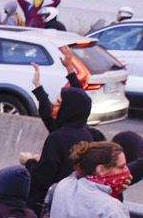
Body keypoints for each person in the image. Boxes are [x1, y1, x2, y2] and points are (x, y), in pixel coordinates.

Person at [27, 73, 93, 210]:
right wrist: (38, 87)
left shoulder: (57, 138)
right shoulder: (88, 135)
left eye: (59, 103)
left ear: (69, 108)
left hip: (52, 206)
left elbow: (42, 180)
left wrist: (30, 163)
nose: (54, 105)